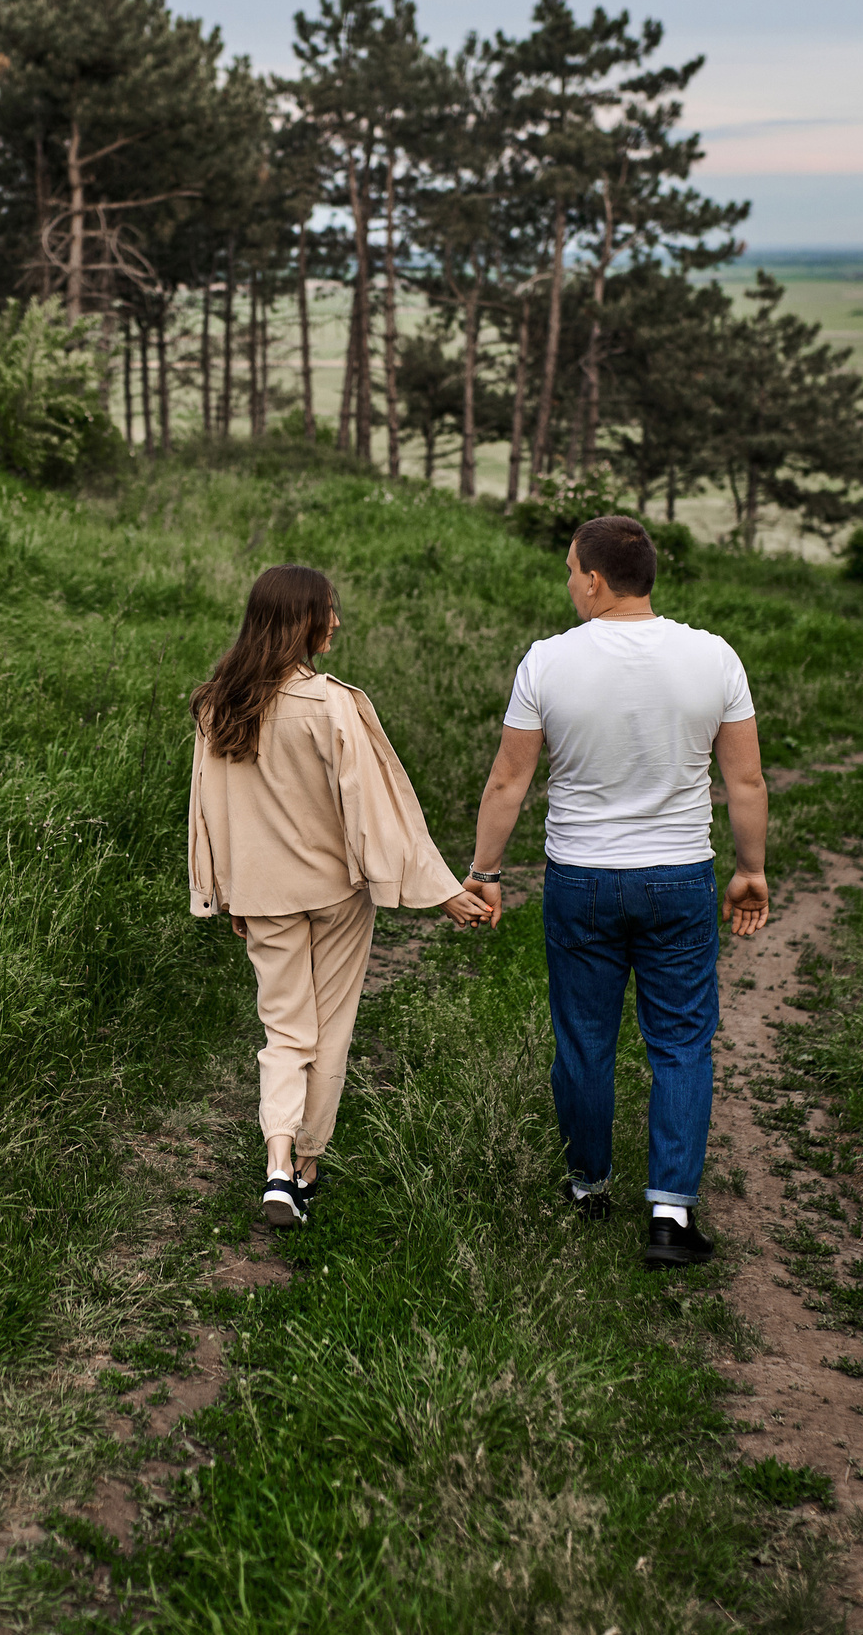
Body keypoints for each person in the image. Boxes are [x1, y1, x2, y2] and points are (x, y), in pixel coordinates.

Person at [462, 515, 770, 1268]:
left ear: (595, 578)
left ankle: (588, 1184)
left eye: (571, 569)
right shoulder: (714, 657)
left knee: (586, 1041)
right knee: (682, 1042)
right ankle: (670, 1212)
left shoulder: (546, 662)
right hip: (680, 878)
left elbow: (510, 778)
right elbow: (746, 780)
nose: (569, 582)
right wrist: (749, 867)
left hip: (584, 879)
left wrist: (485, 871)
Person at [189, 565, 493, 1227]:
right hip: (333, 891)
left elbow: (207, 807)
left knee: (284, 1030)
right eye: (329, 611)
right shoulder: (329, 702)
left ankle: (275, 1163)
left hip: (261, 893)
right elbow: (375, 810)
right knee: (329, 1032)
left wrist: (224, 891)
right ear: (301, 620)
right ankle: (306, 1167)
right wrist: (440, 890)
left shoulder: (217, 702)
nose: (336, 622)